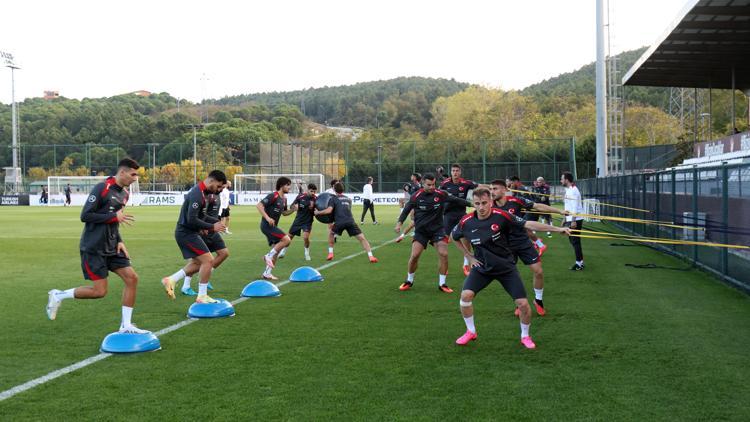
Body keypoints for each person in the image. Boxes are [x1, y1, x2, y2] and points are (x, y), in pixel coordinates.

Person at [451, 187, 571, 349]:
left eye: (485, 203)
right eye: (477, 203)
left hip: (505, 267)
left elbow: (528, 223)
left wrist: (557, 229)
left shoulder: (502, 216)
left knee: (523, 304)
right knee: (465, 296)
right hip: (482, 267)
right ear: (473, 203)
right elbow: (454, 237)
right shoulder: (466, 221)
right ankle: (471, 331)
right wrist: (469, 257)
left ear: (491, 202)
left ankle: (525, 336)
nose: (481, 207)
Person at [46, 158, 149, 334]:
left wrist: (120, 241)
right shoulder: (102, 188)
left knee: (132, 278)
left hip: (112, 246)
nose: (135, 178)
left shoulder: (125, 194)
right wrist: (113, 218)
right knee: (99, 292)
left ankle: (126, 325)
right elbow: (85, 215)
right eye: (133, 174)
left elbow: (115, 221)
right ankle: (58, 295)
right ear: (122, 172)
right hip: (94, 247)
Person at [490, 179, 569, 316]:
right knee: (512, 276)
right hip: (505, 245)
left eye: (495, 189)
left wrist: (559, 211)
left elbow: (537, 206)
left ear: (504, 190)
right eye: (491, 189)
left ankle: (538, 300)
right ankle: (520, 302)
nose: (492, 192)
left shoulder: (516, 201)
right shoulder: (490, 206)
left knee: (538, 271)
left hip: (522, 241)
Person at [395, 173, 471, 293]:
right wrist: (399, 223)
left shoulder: (441, 194)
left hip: (438, 230)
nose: (432, 187)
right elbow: (406, 210)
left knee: (444, 254)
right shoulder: (416, 196)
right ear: (423, 184)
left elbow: (456, 200)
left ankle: (442, 284)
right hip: (421, 231)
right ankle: (409, 280)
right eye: (429, 185)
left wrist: (473, 204)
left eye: (433, 184)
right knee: (414, 256)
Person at [162, 171, 227, 303]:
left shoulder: (203, 193)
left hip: (190, 233)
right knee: (208, 260)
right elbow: (192, 219)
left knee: (199, 263)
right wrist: (212, 227)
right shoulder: (197, 194)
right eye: (219, 186)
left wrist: (214, 222)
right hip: (186, 233)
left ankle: (171, 280)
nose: (219, 190)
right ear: (212, 181)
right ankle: (202, 295)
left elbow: (201, 216)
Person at [315, 182, 378, 263]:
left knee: (331, 234)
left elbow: (329, 210)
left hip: (339, 222)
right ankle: (371, 256)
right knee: (362, 239)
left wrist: (318, 213)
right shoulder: (349, 199)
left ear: (334, 189)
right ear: (343, 189)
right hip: (350, 221)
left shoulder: (333, 199)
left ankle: (330, 253)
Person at [439, 164, 478, 276]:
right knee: (444, 240)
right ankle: (444, 266)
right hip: (448, 215)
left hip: (461, 214)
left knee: (466, 237)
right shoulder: (444, 184)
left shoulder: (466, 183)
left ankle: (466, 263)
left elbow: (478, 186)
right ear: (451, 172)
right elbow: (439, 196)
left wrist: (491, 187)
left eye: (457, 171)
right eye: (453, 171)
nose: (455, 172)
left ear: (460, 172)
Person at [256, 177, 296, 281]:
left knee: (277, 250)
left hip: (273, 227)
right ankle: (267, 256)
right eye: (287, 185)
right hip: (266, 226)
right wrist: (268, 218)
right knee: (287, 239)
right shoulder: (273, 195)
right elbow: (259, 205)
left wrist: (293, 210)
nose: (289, 187)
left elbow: (284, 213)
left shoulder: (284, 199)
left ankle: (267, 273)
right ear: (282, 185)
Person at [509, 176, 546, 254]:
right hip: (528, 211)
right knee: (522, 229)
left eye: (512, 183)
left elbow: (526, 202)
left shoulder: (521, 189)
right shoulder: (518, 189)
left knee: (525, 228)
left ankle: (540, 245)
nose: (511, 184)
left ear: (516, 181)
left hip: (532, 211)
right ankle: (536, 242)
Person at [281, 183, 317, 261]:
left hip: (308, 221)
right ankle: (283, 252)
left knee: (305, 237)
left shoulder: (315, 199)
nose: (313, 193)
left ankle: (307, 254)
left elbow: (317, 211)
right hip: (298, 221)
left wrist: (315, 210)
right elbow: (291, 206)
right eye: (311, 191)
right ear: (308, 190)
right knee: (289, 238)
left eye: (314, 191)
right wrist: (295, 207)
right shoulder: (300, 197)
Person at [561, 171, 585, 270]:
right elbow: (568, 206)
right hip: (570, 218)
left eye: (562, 178)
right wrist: (564, 218)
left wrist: (573, 220)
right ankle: (580, 261)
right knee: (573, 240)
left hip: (576, 219)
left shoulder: (574, 190)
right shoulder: (568, 190)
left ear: (567, 180)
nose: (561, 180)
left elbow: (574, 207)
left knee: (575, 241)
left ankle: (579, 264)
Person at [396, 173, 421, 243]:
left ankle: (415, 233)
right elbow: (412, 194)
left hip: (418, 206)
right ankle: (415, 233)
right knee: (414, 220)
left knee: (414, 220)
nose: (411, 176)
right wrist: (408, 190)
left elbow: (416, 195)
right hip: (415, 205)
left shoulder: (417, 186)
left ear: (415, 178)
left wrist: (408, 190)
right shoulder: (414, 186)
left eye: (412, 176)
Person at [325, 179, 339, 259]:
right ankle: (332, 237)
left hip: (336, 210)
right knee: (330, 225)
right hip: (330, 209)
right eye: (336, 183)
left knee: (336, 224)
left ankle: (334, 235)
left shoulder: (338, 191)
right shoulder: (328, 191)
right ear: (333, 185)